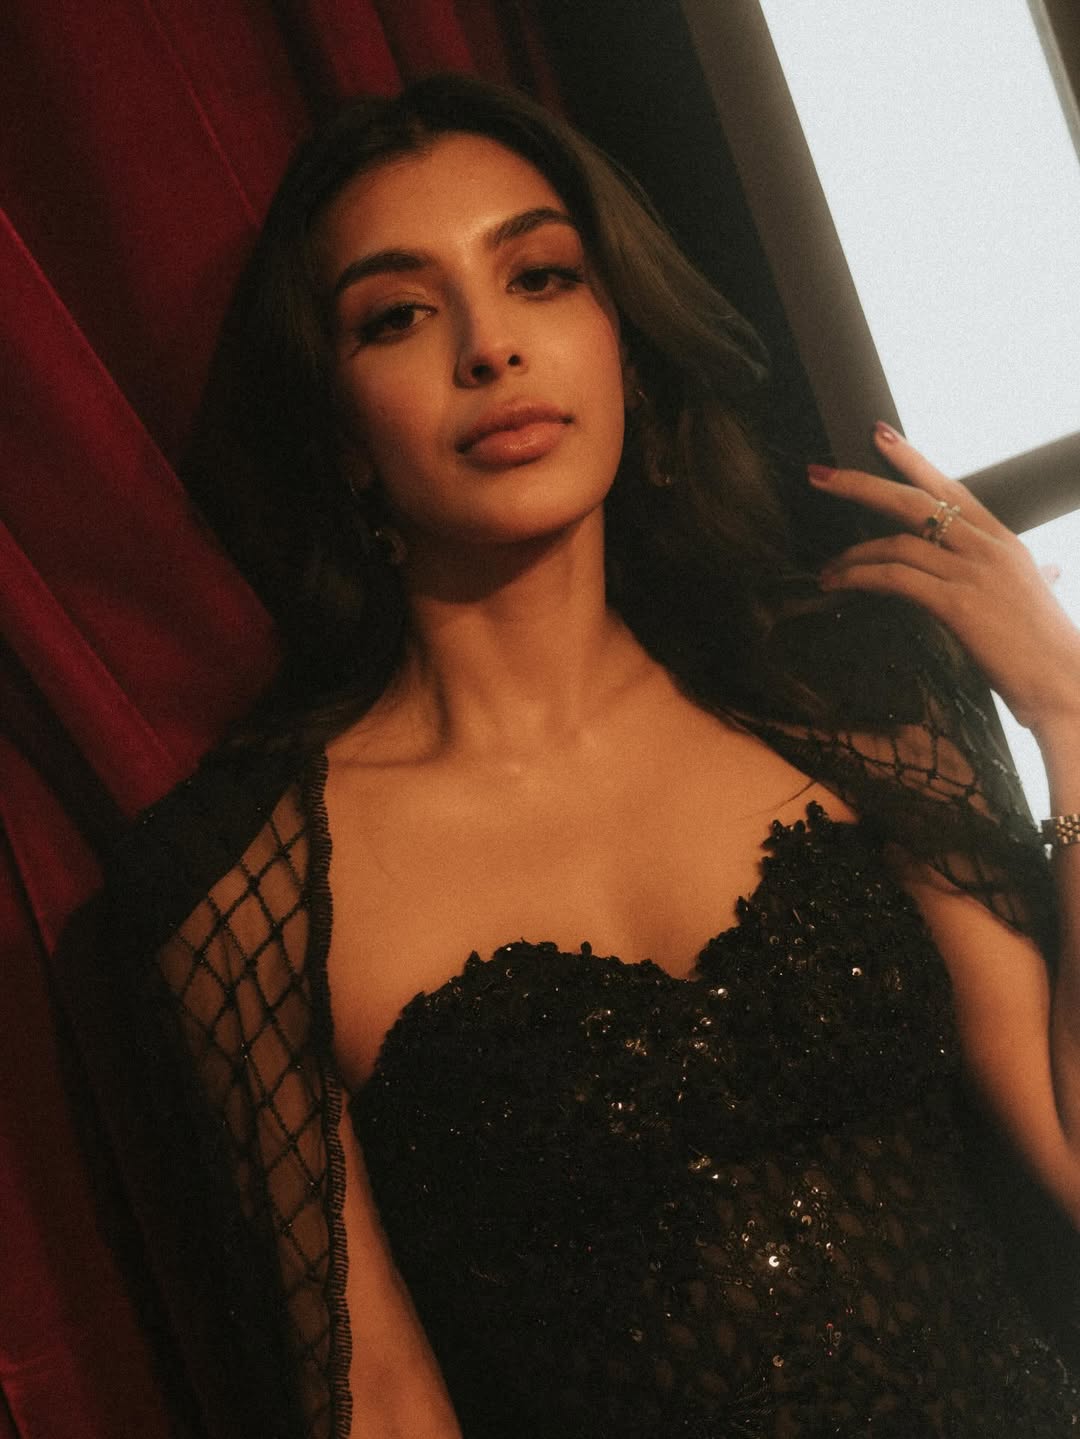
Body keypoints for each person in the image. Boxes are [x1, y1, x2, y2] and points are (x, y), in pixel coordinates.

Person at [68, 71, 1080, 1438]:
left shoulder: (851, 699)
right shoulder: (249, 890)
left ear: (624, 348)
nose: (490, 347)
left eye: (539, 277)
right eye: (399, 314)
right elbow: (382, 1405)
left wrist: (1066, 715)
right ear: (340, 433)